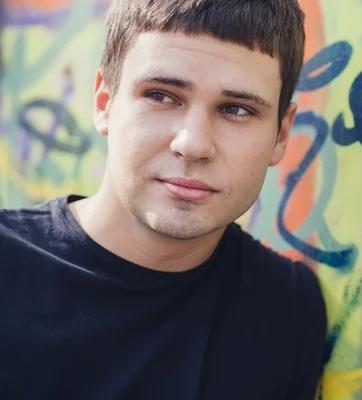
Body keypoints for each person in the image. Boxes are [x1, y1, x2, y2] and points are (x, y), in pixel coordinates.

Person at [0, 0, 328, 398]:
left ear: (280, 134)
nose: (193, 144)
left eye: (237, 109)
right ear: (105, 104)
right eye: (161, 95)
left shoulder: (288, 310)